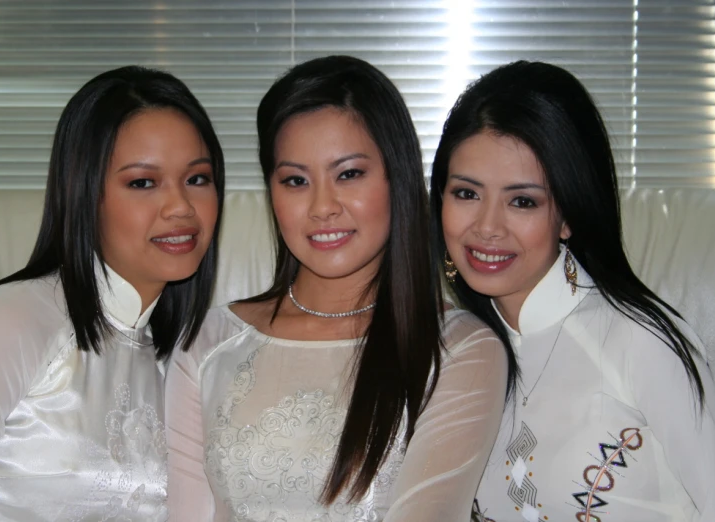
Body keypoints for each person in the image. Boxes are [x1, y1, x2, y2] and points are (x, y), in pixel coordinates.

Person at [165, 55, 508, 521]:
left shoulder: (460, 351)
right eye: (296, 181)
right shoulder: (208, 344)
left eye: (349, 174)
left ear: (396, 177)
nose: (322, 206)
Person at [430, 60, 715, 522]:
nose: (486, 227)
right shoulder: (456, 350)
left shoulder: (640, 341)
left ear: (568, 216)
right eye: (467, 193)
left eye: (522, 201)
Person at [0, 65, 225, 521]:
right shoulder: (10, 321)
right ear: (84, 193)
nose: (180, 207)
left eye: (197, 179)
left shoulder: (178, 364)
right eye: (142, 183)